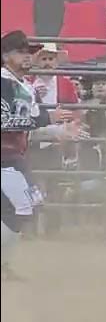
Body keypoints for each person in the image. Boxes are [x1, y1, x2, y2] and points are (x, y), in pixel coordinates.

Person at [2, 31, 78, 271]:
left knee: (22, 207)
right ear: (5, 56)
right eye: (20, 52)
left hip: (13, 155)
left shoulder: (25, 87)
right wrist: (48, 119)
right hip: (6, 156)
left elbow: (27, 127)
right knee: (24, 207)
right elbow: (5, 121)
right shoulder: (4, 83)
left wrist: (56, 131)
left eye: (28, 52)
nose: (27, 57)